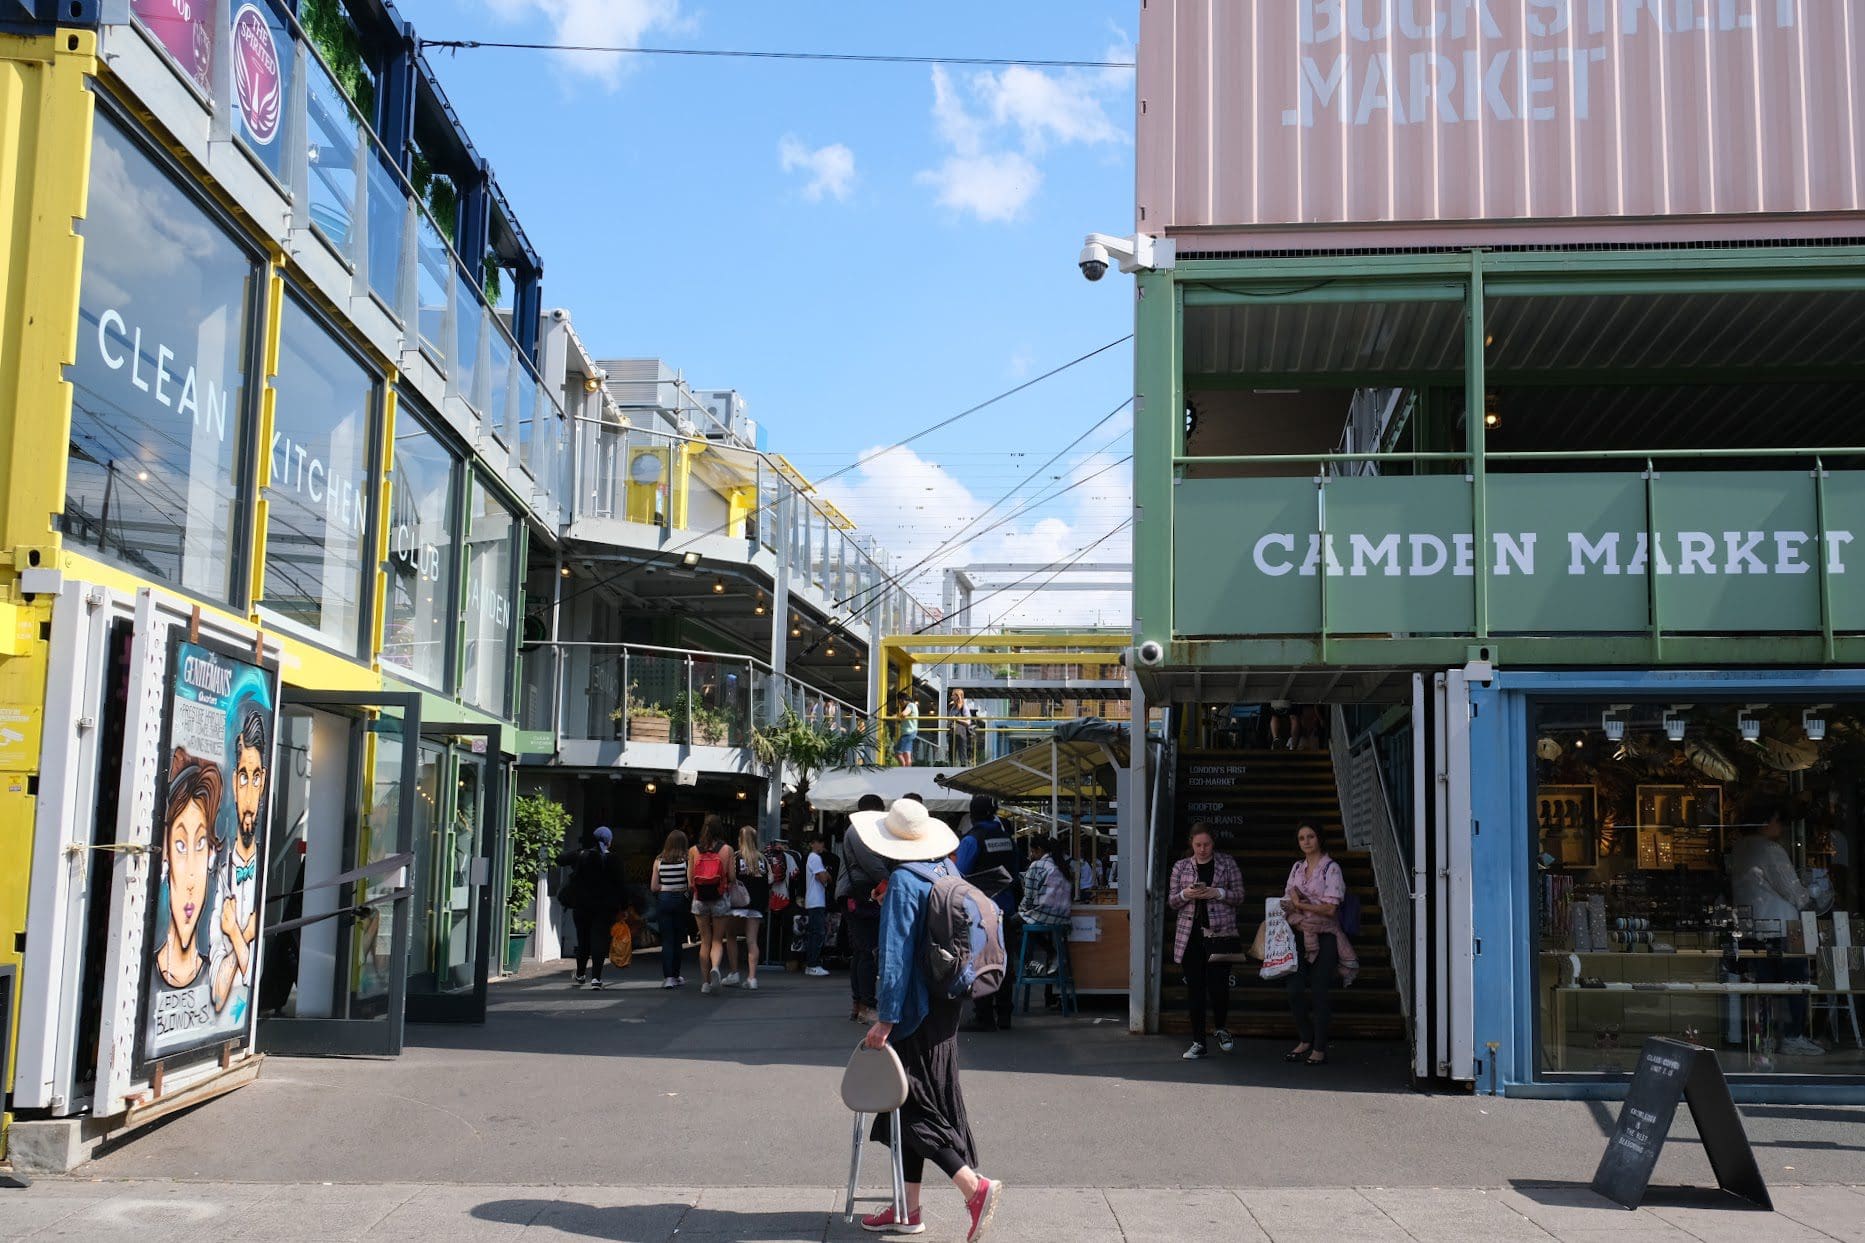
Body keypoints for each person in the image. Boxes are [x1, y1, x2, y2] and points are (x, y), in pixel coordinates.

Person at [855, 798, 1004, 1240]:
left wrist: (885, 1018)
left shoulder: (903, 880)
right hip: (947, 1002)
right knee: (914, 1103)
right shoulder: (945, 869)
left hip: (915, 1010)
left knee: (913, 1106)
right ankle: (908, 1209)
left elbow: (896, 957)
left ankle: (973, 1188)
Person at [1732, 806, 1823, 1056]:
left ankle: (1767, 1037)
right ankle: (1793, 1036)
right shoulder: (1770, 849)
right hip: (1784, 926)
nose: (1781, 826)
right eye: (1778, 820)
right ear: (1767, 820)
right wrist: (1810, 898)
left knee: (1764, 987)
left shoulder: (1739, 848)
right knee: (1796, 982)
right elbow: (1791, 888)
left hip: (1752, 926)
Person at [1282, 821, 1360, 1066]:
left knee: (1319, 991)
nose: (1306, 841)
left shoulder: (1331, 869)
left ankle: (1319, 1047)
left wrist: (1301, 904)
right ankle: (1305, 1037)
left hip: (1326, 935)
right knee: (1294, 990)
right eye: (1302, 838)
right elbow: (1287, 896)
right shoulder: (1297, 867)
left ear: (1320, 839)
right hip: (1299, 934)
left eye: (1311, 836)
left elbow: (1329, 908)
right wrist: (1295, 900)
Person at [1167, 823, 1246, 1060]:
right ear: (1191, 843)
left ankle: (1220, 1027)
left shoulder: (1227, 863)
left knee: (1219, 987)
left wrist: (1217, 893)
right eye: (1198, 844)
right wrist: (1185, 894)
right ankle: (1198, 1041)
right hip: (1189, 934)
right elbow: (1172, 901)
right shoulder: (1181, 866)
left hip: (1220, 933)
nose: (1202, 849)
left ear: (1214, 843)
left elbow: (1240, 896)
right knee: (1195, 990)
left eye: (1207, 844)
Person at [213, 709, 268, 1015]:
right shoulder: (219, 874)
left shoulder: (263, 871)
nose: (249, 797)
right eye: (244, 777)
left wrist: (235, 932)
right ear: (234, 783)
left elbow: (256, 976)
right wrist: (241, 933)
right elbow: (219, 995)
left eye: (256, 777)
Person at [156, 749, 223, 991]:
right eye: (181, 845)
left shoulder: (214, 980)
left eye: (202, 844)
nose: (192, 878)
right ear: (166, 856)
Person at [954, 794, 1021, 1032]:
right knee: (1004, 959)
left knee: (982, 960)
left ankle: (984, 1016)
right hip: (1006, 907)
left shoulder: (972, 840)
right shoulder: (1007, 838)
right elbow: (1014, 871)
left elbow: (959, 875)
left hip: (980, 911)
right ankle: (1005, 1014)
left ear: (972, 815)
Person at [839, 793, 891, 1023]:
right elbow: (871, 864)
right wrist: (892, 879)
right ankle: (866, 1006)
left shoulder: (855, 830)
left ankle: (858, 1004)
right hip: (859, 896)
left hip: (855, 895)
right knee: (868, 951)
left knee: (861, 951)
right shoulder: (858, 831)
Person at [561, 826, 626, 989]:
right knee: (599, 940)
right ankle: (596, 978)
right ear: (609, 841)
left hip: (582, 905)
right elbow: (621, 886)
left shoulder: (581, 855)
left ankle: (580, 974)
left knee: (583, 941)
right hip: (605, 907)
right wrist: (623, 907)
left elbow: (560, 859)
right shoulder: (614, 860)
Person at [689, 815, 736, 994]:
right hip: (720, 897)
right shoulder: (727, 850)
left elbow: (690, 879)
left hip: (699, 898)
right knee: (718, 939)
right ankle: (715, 967)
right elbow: (731, 876)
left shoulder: (693, 850)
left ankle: (705, 983)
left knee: (705, 940)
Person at [1017, 836, 1073, 979]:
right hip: (1063, 918)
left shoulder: (1037, 865)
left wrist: (1021, 910)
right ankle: (1051, 955)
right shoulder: (1062, 865)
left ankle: (1033, 964)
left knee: (1010, 926)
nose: (1031, 856)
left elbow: (1028, 898)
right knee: (1026, 923)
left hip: (1044, 915)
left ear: (1039, 850)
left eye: (1032, 852)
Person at [723, 824, 768, 991]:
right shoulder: (763, 859)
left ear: (740, 840)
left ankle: (734, 972)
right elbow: (768, 881)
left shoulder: (736, 857)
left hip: (738, 903)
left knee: (731, 935)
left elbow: (731, 878)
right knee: (752, 940)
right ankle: (752, 977)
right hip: (757, 904)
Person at [650, 828, 690, 988]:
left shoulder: (658, 860)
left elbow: (653, 887)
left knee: (667, 940)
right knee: (678, 940)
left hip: (664, 900)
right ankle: (676, 974)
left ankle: (668, 978)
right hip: (680, 900)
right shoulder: (686, 860)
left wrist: (665, 886)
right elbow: (689, 884)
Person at [802, 832, 832, 976]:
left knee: (816, 933)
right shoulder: (815, 858)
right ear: (812, 844)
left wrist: (825, 874)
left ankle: (812, 963)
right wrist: (825, 874)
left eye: (822, 842)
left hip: (814, 900)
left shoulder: (813, 858)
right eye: (818, 842)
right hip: (816, 901)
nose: (821, 845)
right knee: (817, 933)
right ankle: (813, 964)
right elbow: (824, 878)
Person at [949, 689, 973, 767]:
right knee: (951, 754)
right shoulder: (953, 706)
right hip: (952, 732)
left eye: (953, 695)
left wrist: (957, 720)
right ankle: (951, 768)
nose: (951, 696)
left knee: (962, 754)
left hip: (961, 733)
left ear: (957, 696)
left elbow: (968, 722)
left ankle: (963, 769)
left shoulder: (964, 707)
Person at [894, 691, 919, 767]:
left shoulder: (910, 705)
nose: (900, 704)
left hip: (908, 733)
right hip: (911, 732)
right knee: (906, 753)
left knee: (897, 752)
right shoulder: (913, 706)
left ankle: (903, 767)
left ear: (903, 700)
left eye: (900, 702)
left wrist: (896, 716)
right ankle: (908, 770)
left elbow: (904, 713)